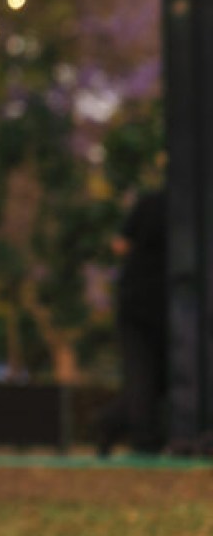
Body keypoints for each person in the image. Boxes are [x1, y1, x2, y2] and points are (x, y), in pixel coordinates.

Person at [98, 186, 167, 455]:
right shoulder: (192, 206)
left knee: (143, 374)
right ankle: (141, 438)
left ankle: (114, 422)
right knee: (153, 377)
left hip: (136, 299)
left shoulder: (151, 201)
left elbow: (120, 244)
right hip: (162, 302)